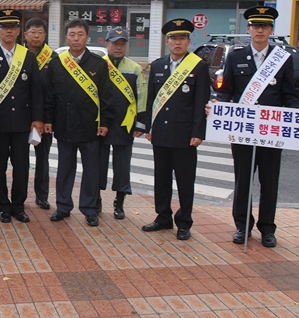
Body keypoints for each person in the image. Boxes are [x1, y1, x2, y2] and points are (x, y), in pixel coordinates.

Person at [214, 6, 299, 248]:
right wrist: (217, 105)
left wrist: (298, 115)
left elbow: (289, 95)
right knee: (243, 181)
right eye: (255, 26)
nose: (260, 30)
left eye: (265, 26)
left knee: (269, 182)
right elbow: (226, 92)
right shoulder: (235, 57)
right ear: (248, 29)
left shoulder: (282, 58)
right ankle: (242, 226)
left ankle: (267, 228)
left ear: (271, 30)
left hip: (270, 132)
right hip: (243, 131)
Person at [142, 18, 210, 241]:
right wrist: (149, 126)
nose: (177, 42)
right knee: (161, 178)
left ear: (189, 41)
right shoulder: (158, 65)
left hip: (184, 134)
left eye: (182, 38)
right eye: (173, 38)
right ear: (167, 41)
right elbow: (152, 99)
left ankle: (184, 222)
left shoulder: (198, 66)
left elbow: (201, 102)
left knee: (184, 181)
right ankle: (163, 217)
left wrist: (198, 132)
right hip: (161, 132)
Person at [43, 18, 113, 227]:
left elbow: (106, 96)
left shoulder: (98, 64)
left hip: (91, 126)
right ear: (66, 37)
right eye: (72, 34)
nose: (76, 38)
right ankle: (63, 206)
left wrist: (105, 122)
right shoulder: (57, 64)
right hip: (64, 124)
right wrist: (48, 120)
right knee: (65, 168)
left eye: (80, 34)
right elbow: (49, 96)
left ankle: (89, 209)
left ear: (87, 37)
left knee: (91, 170)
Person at [0, 9, 44, 223]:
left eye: (13, 27)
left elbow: (36, 90)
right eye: (4, 27)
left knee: (21, 166)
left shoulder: (28, 57)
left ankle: (18, 205)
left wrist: (37, 118)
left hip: (21, 123)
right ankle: (4, 206)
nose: (8, 31)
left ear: (19, 31)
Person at [99, 27, 147, 220]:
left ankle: (119, 202)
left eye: (122, 44)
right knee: (97, 163)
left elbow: (142, 96)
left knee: (122, 165)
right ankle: (96, 199)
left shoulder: (134, 68)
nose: (118, 47)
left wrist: (140, 123)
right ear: (106, 44)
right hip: (101, 123)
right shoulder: (98, 65)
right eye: (114, 43)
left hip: (125, 123)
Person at [23, 18, 56, 210]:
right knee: (20, 159)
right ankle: (20, 195)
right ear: (25, 35)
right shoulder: (17, 55)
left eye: (40, 32)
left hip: (44, 119)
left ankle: (42, 196)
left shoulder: (53, 59)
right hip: (20, 117)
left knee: (42, 158)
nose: (36, 36)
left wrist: (48, 119)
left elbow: (55, 91)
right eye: (32, 32)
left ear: (45, 35)